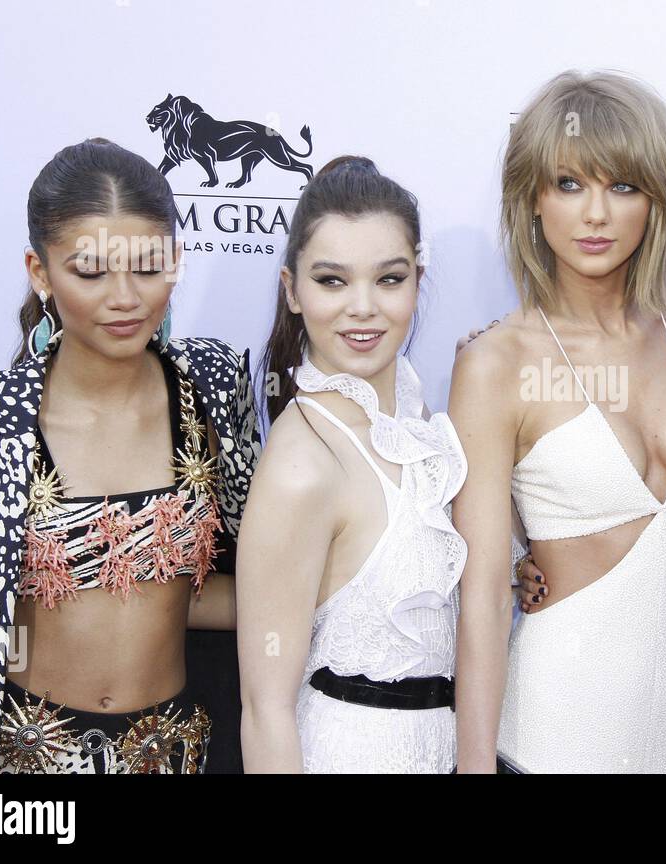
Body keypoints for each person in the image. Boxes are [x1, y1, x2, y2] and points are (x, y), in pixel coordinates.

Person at [0, 138, 259, 773]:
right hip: (21, 765)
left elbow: (236, 580)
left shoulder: (210, 387)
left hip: (178, 751)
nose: (126, 297)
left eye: (147, 265)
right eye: (91, 271)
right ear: (40, 272)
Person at [451, 70, 666, 773]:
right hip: (555, 732)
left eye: (624, 186)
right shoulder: (494, 363)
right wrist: (474, 764)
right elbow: (483, 593)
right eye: (570, 184)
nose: (596, 214)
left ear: (658, 201)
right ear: (532, 200)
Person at [236, 156, 466, 773]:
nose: (362, 308)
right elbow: (264, 709)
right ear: (292, 290)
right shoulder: (301, 464)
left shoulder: (426, 430)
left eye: (388, 279)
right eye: (332, 281)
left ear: (418, 281)